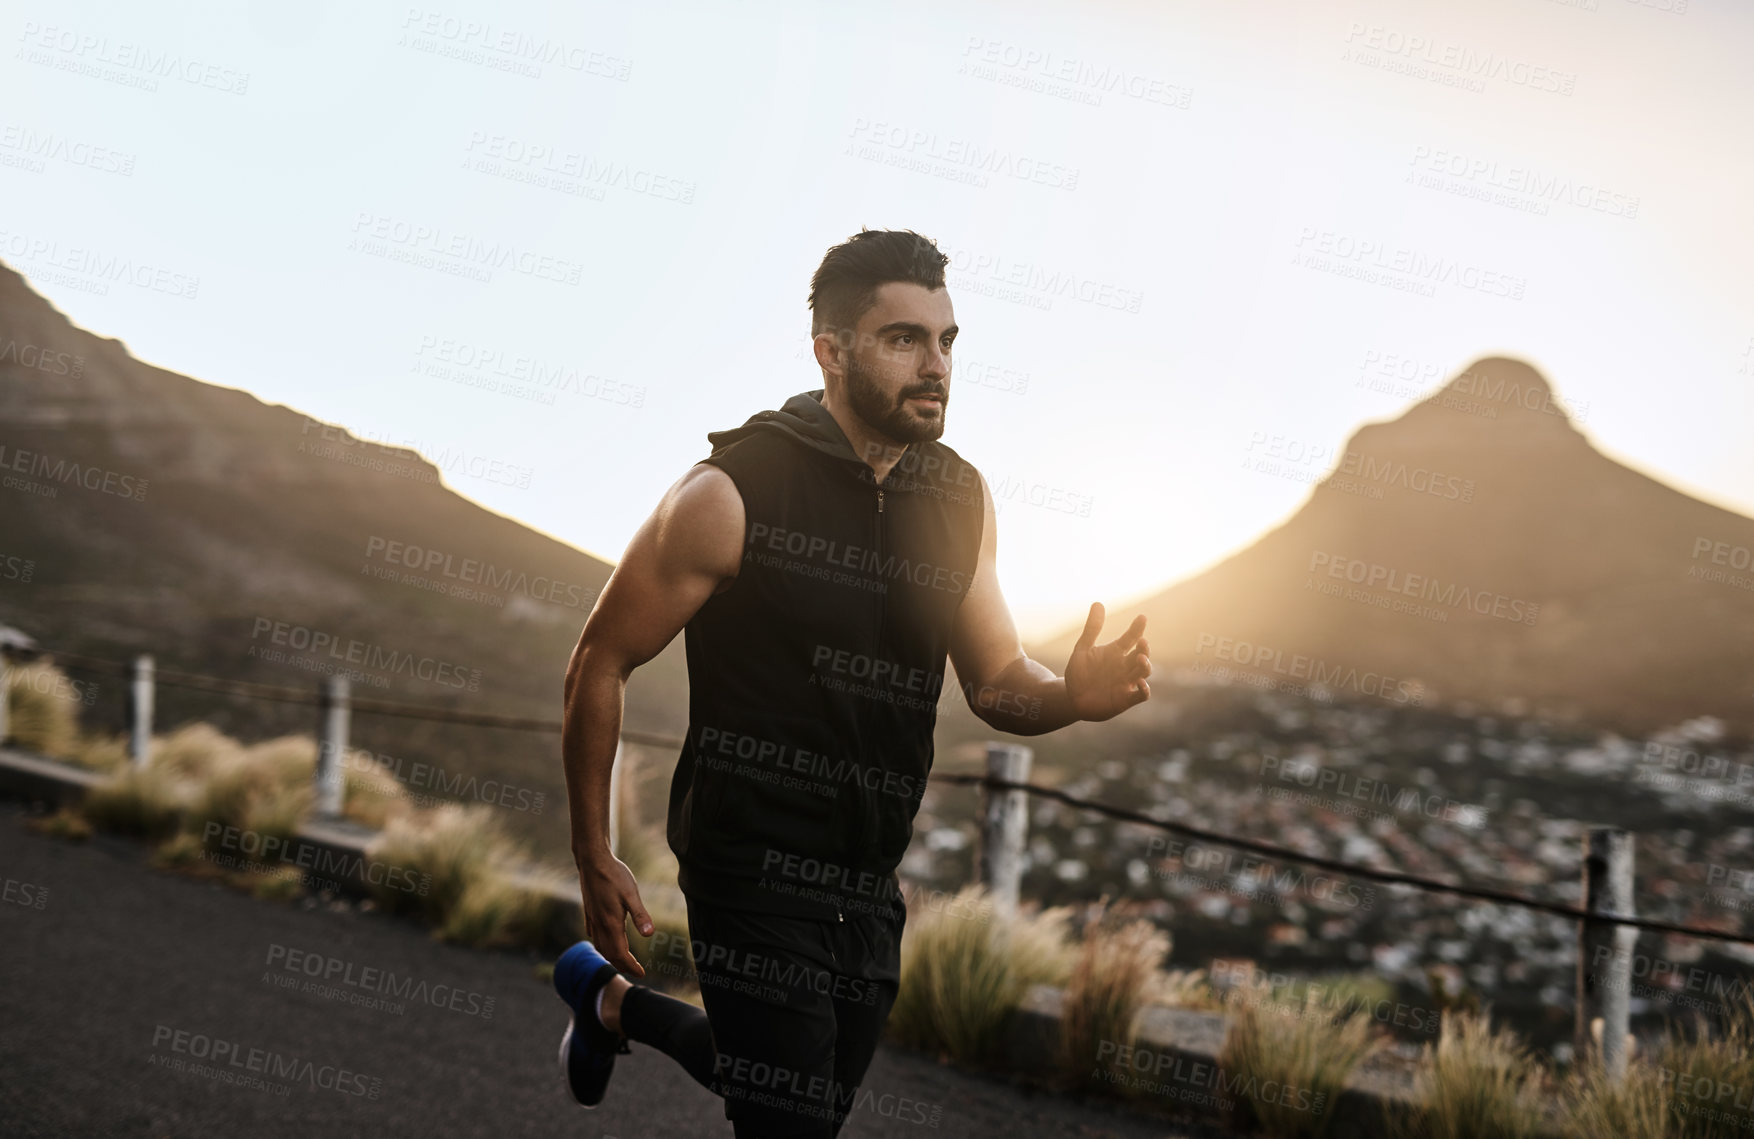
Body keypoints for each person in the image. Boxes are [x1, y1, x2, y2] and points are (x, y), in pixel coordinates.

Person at [554, 227, 1153, 1136]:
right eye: (904, 338)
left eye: (947, 341)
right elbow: (600, 658)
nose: (936, 365)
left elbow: (995, 680)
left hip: (869, 874)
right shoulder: (731, 493)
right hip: (747, 859)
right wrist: (593, 852)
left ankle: (611, 1005)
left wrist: (1071, 695)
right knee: (788, 1114)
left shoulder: (959, 497)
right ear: (831, 353)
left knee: (792, 1090)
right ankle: (612, 1001)